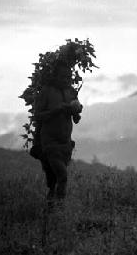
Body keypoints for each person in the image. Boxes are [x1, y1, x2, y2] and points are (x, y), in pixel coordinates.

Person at [33, 60, 83, 201]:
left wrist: (76, 111)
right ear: (55, 76)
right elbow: (38, 116)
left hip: (66, 144)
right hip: (50, 143)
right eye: (63, 77)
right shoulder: (46, 92)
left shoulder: (71, 92)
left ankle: (50, 210)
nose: (66, 80)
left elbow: (76, 118)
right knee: (62, 176)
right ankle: (60, 212)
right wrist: (57, 110)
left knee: (54, 181)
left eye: (68, 77)